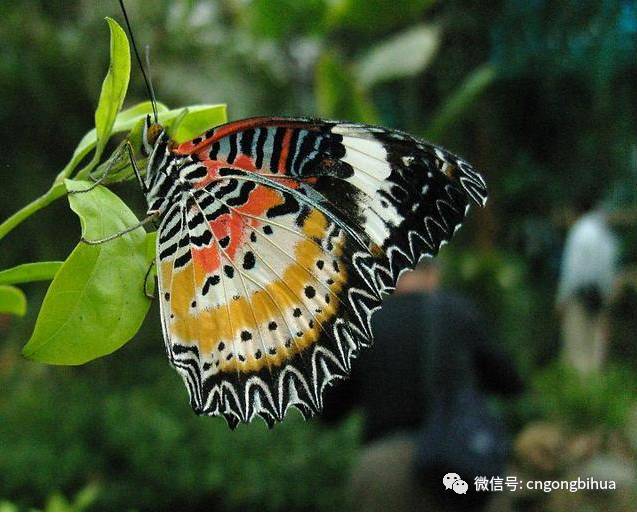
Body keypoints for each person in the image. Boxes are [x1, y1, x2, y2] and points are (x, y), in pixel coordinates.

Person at [322, 259, 523, 511]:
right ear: (433, 273)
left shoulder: (363, 325)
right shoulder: (458, 311)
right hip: (460, 459)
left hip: (385, 467)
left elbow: (329, 411)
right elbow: (510, 383)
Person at [556, 198, 618, 374]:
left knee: (577, 343)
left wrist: (562, 298)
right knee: (596, 344)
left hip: (579, 294)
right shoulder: (605, 233)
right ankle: (594, 384)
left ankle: (580, 387)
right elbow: (609, 269)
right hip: (599, 295)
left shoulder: (579, 231)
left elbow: (572, 269)